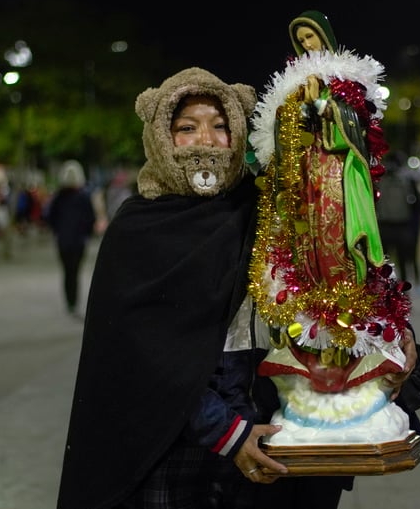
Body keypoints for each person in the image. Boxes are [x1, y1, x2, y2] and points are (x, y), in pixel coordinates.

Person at [56, 67, 289, 509]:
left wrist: (392, 336)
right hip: (165, 445)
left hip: (260, 435)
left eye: (221, 126)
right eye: (187, 127)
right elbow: (141, 355)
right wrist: (226, 431)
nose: (206, 138)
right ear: (160, 135)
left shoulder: (260, 210)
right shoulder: (136, 227)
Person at [246, 11, 419, 508]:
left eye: (310, 36)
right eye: (298, 38)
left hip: (338, 180)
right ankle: (314, 379)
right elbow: (276, 145)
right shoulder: (287, 88)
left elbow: (359, 128)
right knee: (307, 260)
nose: (305, 44)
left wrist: (326, 111)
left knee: (343, 254)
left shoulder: (346, 79)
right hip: (302, 189)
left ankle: (349, 370)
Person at [44, 160, 97, 316]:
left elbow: (50, 217)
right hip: (78, 241)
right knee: (74, 271)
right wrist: (86, 233)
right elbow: (91, 218)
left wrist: (57, 231)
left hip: (63, 240)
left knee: (68, 271)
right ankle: (73, 300)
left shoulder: (59, 197)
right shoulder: (83, 197)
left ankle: (70, 300)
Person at [376, 150, 420, 290]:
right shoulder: (408, 181)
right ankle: (403, 292)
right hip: (402, 227)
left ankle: (383, 290)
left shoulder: (379, 180)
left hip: (383, 226)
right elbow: (419, 204)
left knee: (383, 261)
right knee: (403, 262)